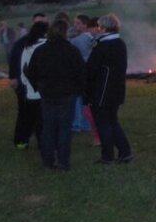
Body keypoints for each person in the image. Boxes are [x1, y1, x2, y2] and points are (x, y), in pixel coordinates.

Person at [24, 19, 86, 170]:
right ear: (65, 32)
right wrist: (78, 90)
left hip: (48, 94)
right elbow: (81, 73)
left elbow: (30, 71)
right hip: (67, 94)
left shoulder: (41, 50)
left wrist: (39, 87)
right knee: (65, 128)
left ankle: (48, 162)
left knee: (48, 128)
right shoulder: (71, 50)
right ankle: (63, 162)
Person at [87, 13, 133, 164]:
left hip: (102, 90)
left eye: (99, 26)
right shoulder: (120, 43)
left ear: (104, 28)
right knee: (112, 121)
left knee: (103, 123)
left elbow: (91, 69)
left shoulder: (102, 46)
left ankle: (108, 156)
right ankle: (125, 152)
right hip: (117, 89)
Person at [8, 19, 48, 149]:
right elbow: (16, 62)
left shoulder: (26, 45)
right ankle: (31, 141)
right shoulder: (30, 45)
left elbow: (23, 67)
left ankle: (23, 141)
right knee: (35, 116)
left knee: (27, 114)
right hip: (37, 88)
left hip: (28, 87)